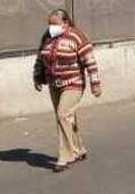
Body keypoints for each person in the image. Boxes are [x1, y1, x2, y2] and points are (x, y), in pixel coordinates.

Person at [33, 9, 102, 173]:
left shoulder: (76, 36)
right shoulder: (47, 37)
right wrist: (37, 77)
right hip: (54, 84)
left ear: (66, 23)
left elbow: (89, 60)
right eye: (49, 24)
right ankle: (79, 148)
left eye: (55, 24)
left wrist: (95, 82)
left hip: (73, 82)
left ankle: (66, 156)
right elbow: (40, 58)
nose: (51, 27)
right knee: (68, 117)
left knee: (62, 114)